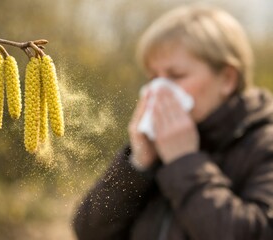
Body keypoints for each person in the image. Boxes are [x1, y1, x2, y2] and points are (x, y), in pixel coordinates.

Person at [72, 4, 273, 240]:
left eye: (176, 76)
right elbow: (89, 231)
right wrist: (137, 165)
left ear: (227, 79)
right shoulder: (156, 146)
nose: (159, 89)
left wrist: (183, 161)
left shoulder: (263, 144)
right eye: (154, 77)